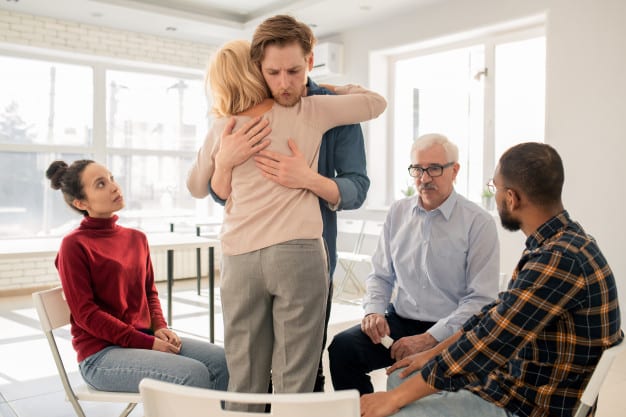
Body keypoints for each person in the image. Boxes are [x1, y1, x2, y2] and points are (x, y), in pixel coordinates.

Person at [186, 39, 386, 407]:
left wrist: (305, 177)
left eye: (293, 70)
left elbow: (199, 188)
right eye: (273, 72)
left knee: (245, 378)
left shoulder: (224, 126)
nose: (283, 80)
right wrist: (226, 163)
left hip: (242, 254)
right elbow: (375, 103)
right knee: (297, 378)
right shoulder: (310, 111)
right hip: (296, 252)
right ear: (258, 71)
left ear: (309, 63)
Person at [360, 142, 623, 417]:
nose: (493, 195)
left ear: (512, 198)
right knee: (402, 376)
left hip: (528, 407)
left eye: (494, 187)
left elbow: (486, 346)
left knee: (395, 407)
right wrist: (432, 352)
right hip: (518, 385)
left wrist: (395, 400)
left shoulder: (557, 261)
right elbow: (495, 317)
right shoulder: (564, 242)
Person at [328, 133, 500, 395]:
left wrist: (430, 339)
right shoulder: (398, 213)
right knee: (343, 348)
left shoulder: (478, 222)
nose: (425, 177)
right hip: (400, 321)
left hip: (451, 332)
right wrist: (373, 311)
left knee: (415, 380)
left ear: (455, 171)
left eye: (434, 168)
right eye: (418, 169)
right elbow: (381, 276)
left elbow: (480, 301)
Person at [46, 159, 229, 393]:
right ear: (80, 202)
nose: (114, 186)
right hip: (101, 356)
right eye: (100, 184)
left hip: (143, 339)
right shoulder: (73, 245)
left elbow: (149, 293)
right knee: (193, 375)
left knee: (222, 363)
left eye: (111, 178)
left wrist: (159, 327)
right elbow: (86, 315)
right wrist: (149, 342)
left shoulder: (137, 238)